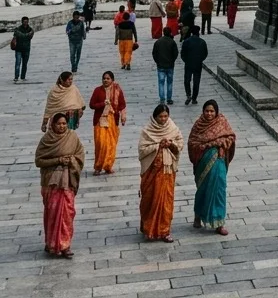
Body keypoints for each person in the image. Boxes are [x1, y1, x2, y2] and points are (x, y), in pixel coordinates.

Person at [34, 112, 85, 258]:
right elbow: (39, 161)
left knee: (67, 213)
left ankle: (65, 245)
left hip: (67, 181)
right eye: (58, 124)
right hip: (51, 183)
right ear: (53, 124)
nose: (62, 126)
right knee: (52, 212)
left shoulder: (73, 137)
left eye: (64, 123)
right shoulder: (46, 140)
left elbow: (80, 156)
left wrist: (72, 161)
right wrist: (58, 160)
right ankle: (51, 243)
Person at [138, 103, 185, 242]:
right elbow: (142, 150)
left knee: (166, 201)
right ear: (155, 117)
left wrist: (171, 144)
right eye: (160, 116)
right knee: (150, 200)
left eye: (166, 116)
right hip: (152, 172)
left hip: (167, 171)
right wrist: (158, 146)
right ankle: (149, 229)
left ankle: (165, 231)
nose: (163, 119)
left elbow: (180, 143)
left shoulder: (173, 128)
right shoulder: (147, 131)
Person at [188, 99, 235, 235]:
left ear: (216, 112)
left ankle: (219, 223)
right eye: (207, 111)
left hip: (219, 162)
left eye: (212, 111)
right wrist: (206, 147)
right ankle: (198, 215)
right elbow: (193, 143)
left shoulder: (222, 122)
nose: (209, 114)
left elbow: (230, 137)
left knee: (219, 191)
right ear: (203, 112)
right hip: (203, 163)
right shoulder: (198, 125)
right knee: (203, 190)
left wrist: (223, 145)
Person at [89, 70, 127, 175]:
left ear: (112, 80)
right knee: (101, 144)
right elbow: (92, 105)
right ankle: (98, 166)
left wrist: (123, 116)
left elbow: (122, 105)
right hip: (100, 120)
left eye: (108, 78)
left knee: (111, 144)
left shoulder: (117, 90)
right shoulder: (98, 90)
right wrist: (102, 104)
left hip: (112, 120)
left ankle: (108, 166)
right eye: (104, 78)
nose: (105, 80)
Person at [180, 26, 208, 106]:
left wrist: (186, 61)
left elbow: (182, 54)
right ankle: (194, 98)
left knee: (187, 80)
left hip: (188, 64)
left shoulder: (186, 41)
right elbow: (205, 54)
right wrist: (200, 60)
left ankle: (188, 95)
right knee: (196, 81)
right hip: (198, 64)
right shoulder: (202, 42)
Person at [153, 27, 179, 105]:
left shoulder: (158, 42)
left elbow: (154, 54)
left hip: (160, 65)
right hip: (170, 65)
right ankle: (169, 98)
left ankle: (162, 99)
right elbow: (176, 53)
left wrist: (157, 62)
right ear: (170, 33)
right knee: (169, 82)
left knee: (161, 82)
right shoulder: (172, 42)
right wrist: (172, 61)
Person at [12, 15, 33, 82]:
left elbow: (30, 36)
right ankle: (16, 77)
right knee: (18, 63)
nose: (25, 23)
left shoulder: (30, 29)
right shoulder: (17, 29)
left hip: (26, 49)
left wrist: (23, 35)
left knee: (25, 64)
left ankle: (23, 77)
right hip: (18, 49)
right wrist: (26, 35)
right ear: (22, 22)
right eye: (24, 22)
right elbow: (23, 36)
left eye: (27, 22)